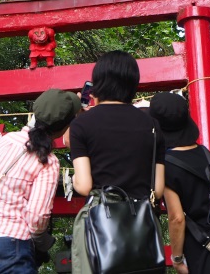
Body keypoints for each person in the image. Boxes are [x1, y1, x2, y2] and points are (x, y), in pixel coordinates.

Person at [69, 50, 166, 274]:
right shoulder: (152, 125)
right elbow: (158, 190)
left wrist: (74, 178)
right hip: (141, 225)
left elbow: (83, 186)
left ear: (97, 83)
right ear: (133, 84)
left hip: (101, 224)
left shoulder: (82, 125)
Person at [0, 89, 81, 274]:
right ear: (63, 128)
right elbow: (36, 219)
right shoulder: (47, 160)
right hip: (11, 246)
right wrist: (42, 241)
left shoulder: (5, 141)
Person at [149, 92, 210, 274]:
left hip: (204, 250)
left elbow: (176, 218)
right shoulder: (205, 153)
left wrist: (177, 259)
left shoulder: (166, 165)